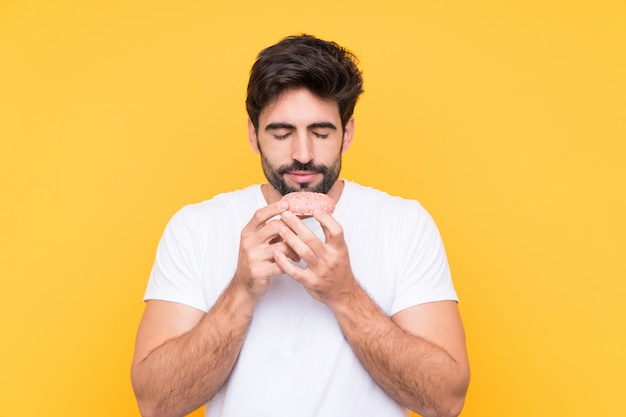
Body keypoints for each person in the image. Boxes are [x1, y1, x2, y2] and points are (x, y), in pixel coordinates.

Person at [131, 34, 470, 417]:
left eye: (322, 133)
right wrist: (241, 292)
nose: (303, 154)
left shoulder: (404, 225)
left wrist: (345, 295)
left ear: (348, 134)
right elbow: (155, 404)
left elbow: (446, 401)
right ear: (253, 135)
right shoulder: (195, 228)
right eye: (281, 133)